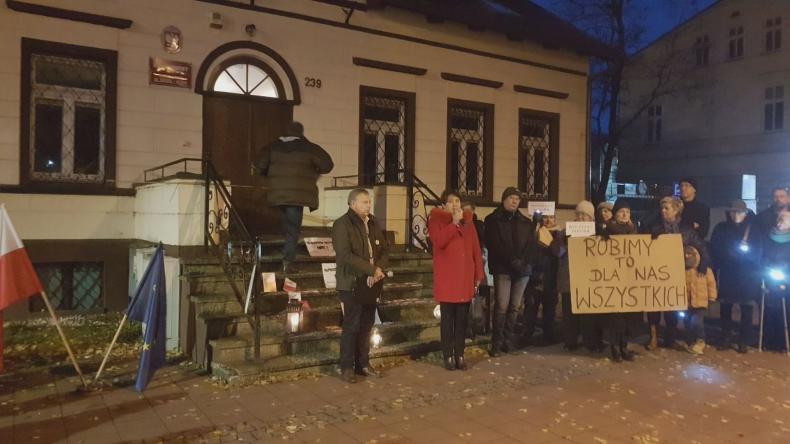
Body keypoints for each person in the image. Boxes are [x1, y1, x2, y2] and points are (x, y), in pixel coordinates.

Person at [254, 121, 334, 273]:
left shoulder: (272, 147)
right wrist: (313, 170)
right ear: (300, 132)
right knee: (293, 229)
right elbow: (327, 165)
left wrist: (271, 176)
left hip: (276, 193)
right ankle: (287, 261)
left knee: (285, 225)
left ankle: (281, 252)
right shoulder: (309, 147)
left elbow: (259, 166)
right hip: (298, 195)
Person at [332, 189, 389, 383]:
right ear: (352, 203)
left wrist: (379, 269)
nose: (369, 205)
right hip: (352, 282)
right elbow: (344, 255)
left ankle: (363, 364)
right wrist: (371, 269)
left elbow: (383, 249)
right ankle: (346, 367)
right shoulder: (342, 224)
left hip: (373, 281)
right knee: (352, 325)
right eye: (364, 202)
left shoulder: (373, 222)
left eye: (369, 201)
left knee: (367, 325)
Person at [643, 196, 709, 350]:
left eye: (667, 208)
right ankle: (652, 337)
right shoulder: (655, 229)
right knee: (653, 307)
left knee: (671, 308)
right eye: (662, 208)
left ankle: (669, 337)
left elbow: (701, 247)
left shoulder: (686, 230)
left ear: (676, 210)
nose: (663, 211)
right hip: (656, 273)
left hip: (676, 275)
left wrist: (703, 264)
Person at [429, 190, 484, 370]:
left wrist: (478, 275)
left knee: (462, 320)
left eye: (457, 201)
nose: (455, 204)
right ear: (443, 205)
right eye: (451, 201)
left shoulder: (468, 221)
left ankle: (460, 354)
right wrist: (453, 224)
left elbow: (476, 249)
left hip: (464, 278)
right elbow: (439, 242)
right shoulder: (436, 220)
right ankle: (448, 355)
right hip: (447, 279)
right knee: (447, 320)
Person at [484, 187, 537, 356]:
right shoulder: (492, 220)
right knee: (501, 306)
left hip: (523, 270)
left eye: (517, 198)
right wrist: (512, 260)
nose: (514, 201)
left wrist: (524, 263)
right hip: (503, 269)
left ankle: (507, 340)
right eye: (511, 197)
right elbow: (495, 244)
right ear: (504, 199)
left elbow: (531, 244)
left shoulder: (526, 222)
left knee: (514, 307)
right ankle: (496, 343)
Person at [710, 199, 763, 353]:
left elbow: (758, 251)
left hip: (747, 275)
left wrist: (744, 258)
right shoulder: (721, 228)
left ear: (745, 213)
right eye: (733, 212)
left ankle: (743, 340)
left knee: (746, 307)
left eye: (739, 212)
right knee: (726, 307)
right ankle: (725, 337)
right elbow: (715, 247)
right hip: (728, 273)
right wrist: (726, 258)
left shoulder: (754, 229)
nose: (736, 215)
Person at [553, 200, 596, 351]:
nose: (581, 218)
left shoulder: (596, 233)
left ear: (591, 218)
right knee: (569, 311)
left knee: (587, 312)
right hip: (569, 278)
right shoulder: (565, 232)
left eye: (585, 215)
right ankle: (570, 341)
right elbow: (558, 253)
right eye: (578, 214)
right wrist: (563, 242)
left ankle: (589, 340)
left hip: (588, 279)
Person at [600, 199, 637, 362]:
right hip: (613, 278)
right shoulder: (607, 229)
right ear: (615, 214)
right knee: (615, 317)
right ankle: (614, 346)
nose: (624, 214)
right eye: (621, 211)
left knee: (629, 316)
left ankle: (624, 345)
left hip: (629, 278)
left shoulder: (633, 230)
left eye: (627, 212)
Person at [523, 213, 560, 346]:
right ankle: (527, 335)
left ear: (555, 219)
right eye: (545, 217)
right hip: (535, 277)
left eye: (551, 217)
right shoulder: (535, 233)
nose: (548, 220)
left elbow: (558, 252)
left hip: (551, 277)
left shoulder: (560, 235)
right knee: (531, 308)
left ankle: (548, 335)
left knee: (550, 309)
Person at [762, 210, 790, 351]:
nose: (780, 222)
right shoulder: (769, 236)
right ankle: (769, 340)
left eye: (784, 219)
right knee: (772, 308)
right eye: (780, 219)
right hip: (772, 275)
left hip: (787, 277)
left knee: (787, 310)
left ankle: (784, 342)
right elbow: (764, 253)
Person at [682, 245, 718, 354]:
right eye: (685, 254)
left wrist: (712, 297)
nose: (687, 256)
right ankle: (690, 341)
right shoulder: (683, 271)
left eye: (690, 254)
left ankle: (701, 340)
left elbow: (711, 284)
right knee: (687, 322)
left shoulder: (705, 270)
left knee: (697, 322)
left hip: (700, 303)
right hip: (687, 303)